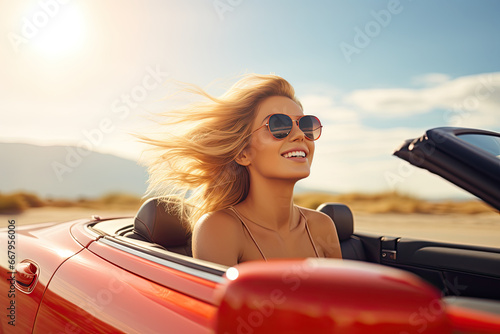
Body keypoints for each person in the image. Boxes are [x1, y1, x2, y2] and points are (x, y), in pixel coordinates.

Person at [140, 74, 342, 267]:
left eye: (306, 125)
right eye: (278, 125)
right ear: (243, 153)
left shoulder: (322, 226)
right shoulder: (219, 229)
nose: (300, 135)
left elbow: (343, 301)